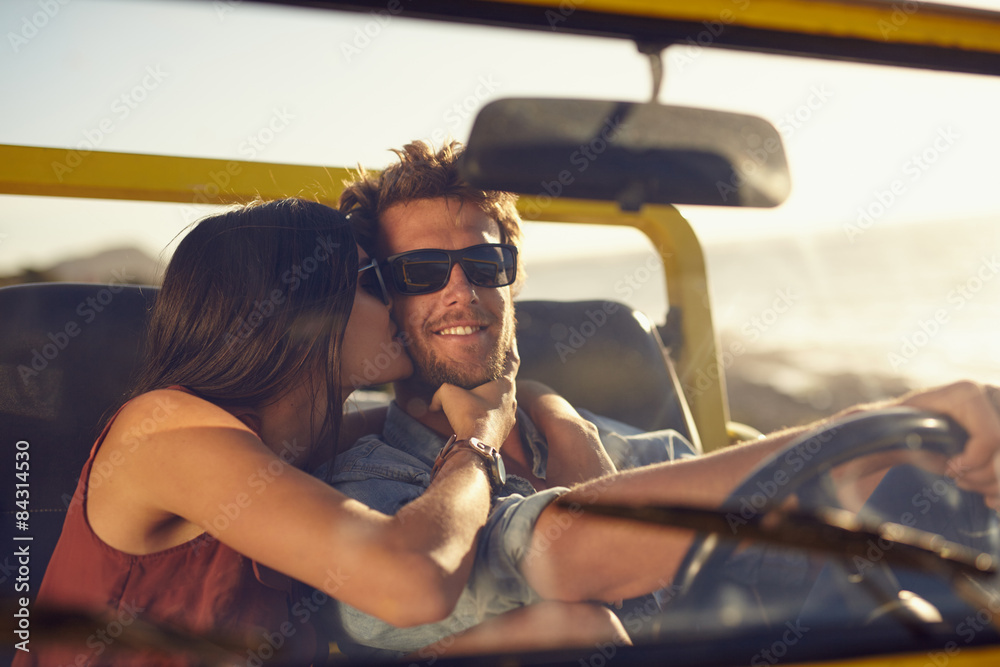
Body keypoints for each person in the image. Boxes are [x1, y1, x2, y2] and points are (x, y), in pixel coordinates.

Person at [320, 140, 1000, 659]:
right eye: (422, 272)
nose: (462, 291)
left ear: (512, 277)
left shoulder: (620, 444)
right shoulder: (375, 496)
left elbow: (790, 549)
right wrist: (863, 429)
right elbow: (542, 555)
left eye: (486, 263)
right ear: (381, 295)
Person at [18, 198, 627, 667]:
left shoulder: (291, 436)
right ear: (299, 312)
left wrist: (555, 415)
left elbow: (430, 413)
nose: (393, 304)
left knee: (575, 630)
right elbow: (411, 580)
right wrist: (477, 444)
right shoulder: (165, 434)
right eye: (370, 283)